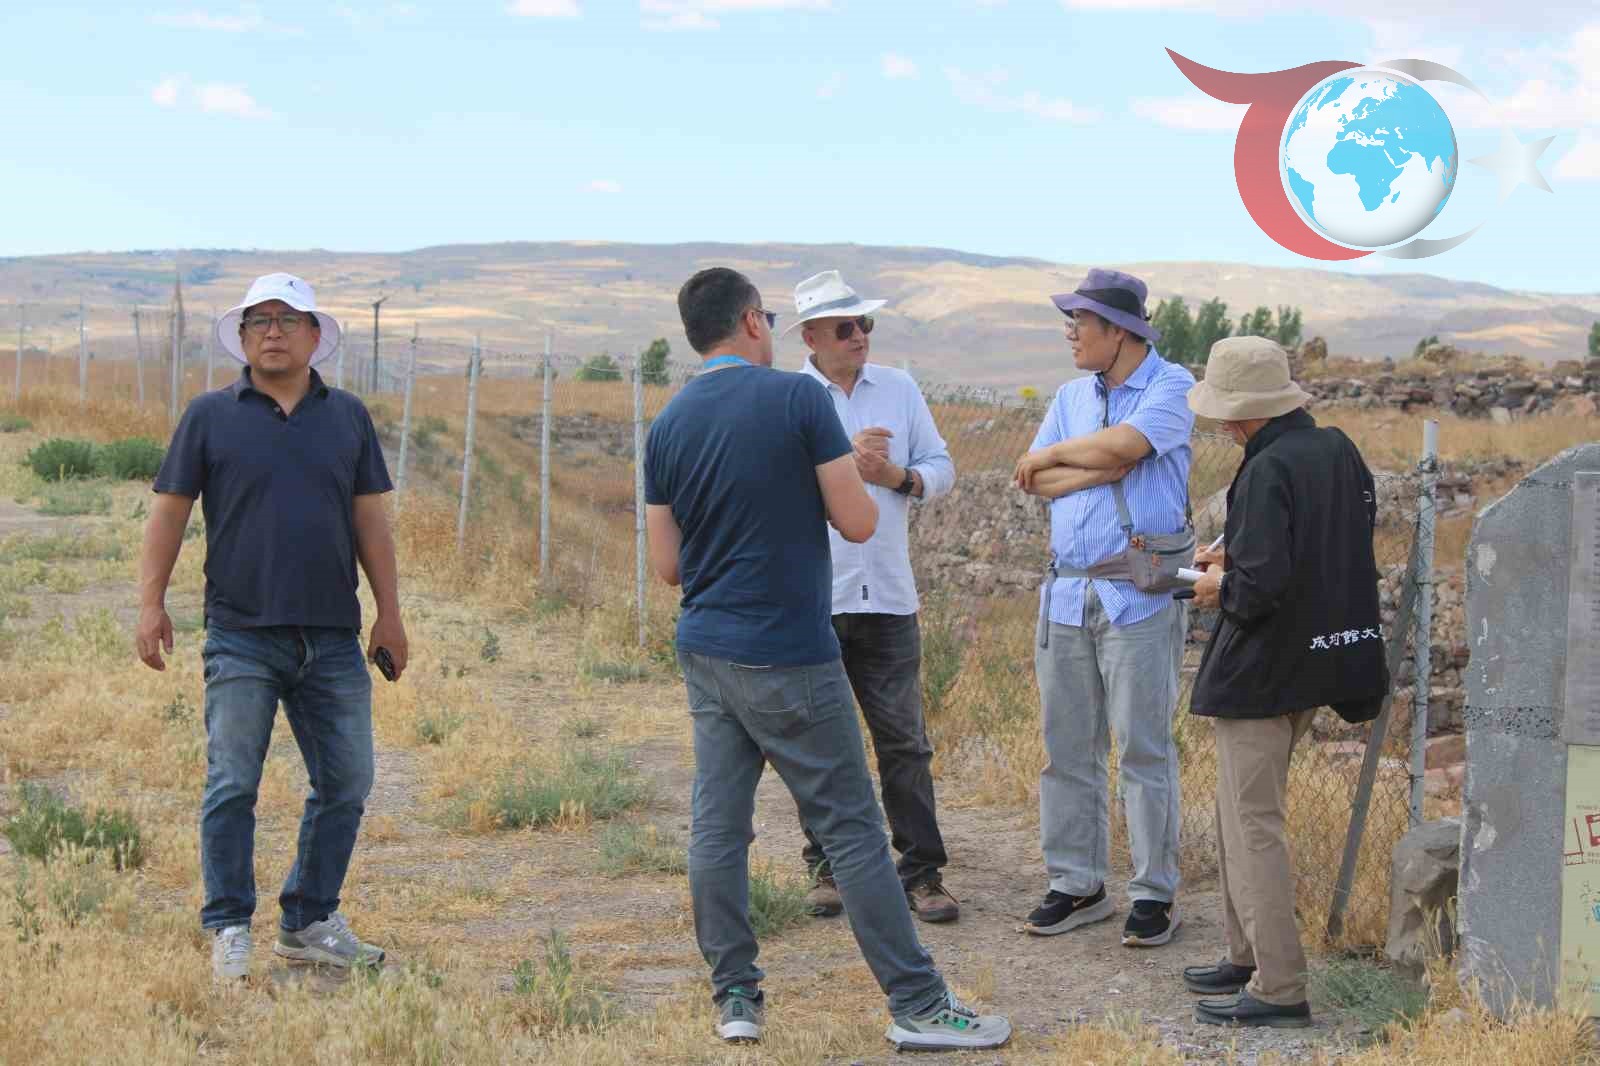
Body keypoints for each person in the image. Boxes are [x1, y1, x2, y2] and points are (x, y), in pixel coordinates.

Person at [644, 267, 1010, 1052]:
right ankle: (918, 1004)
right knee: (853, 830)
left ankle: (736, 996)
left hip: (707, 647)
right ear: (752, 321)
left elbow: (667, 566)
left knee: (718, 827)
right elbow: (857, 521)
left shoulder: (668, 422)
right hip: (789, 649)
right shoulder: (798, 401)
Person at [135, 273, 406, 983]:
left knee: (347, 782)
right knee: (232, 783)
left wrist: (390, 612)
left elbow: (370, 520)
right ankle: (229, 924)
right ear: (243, 336)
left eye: (288, 319)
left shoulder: (347, 417)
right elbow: (169, 513)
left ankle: (308, 920)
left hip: (332, 635)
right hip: (241, 634)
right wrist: (150, 603)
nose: (274, 331)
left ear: (315, 336)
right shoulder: (209, 415)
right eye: (259, 320)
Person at [1181, 336, 1387, 1028]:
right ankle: (1245, 954)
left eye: (1225, 413)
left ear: (1243, 412)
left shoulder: (1266, 467)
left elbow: (1261, 589)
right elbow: (1323, 547)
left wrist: (1216, 584)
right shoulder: (1336, 450)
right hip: (1318, 661)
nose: (1222, 425)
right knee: (1237, 815)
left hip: (1263, 672)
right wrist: (1235, 557)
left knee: (1251, 824)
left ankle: (1279, 986)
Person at [1012, 268, 1195, 947]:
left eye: (1080, 323)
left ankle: (1154, 893)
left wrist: (1065, 453)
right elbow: (1034, 479)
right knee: (1066, 749)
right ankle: (1077, 883)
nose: (1070, 334)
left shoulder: (1173, 386)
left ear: (1117, 331)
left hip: (1139, 592)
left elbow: (1124, 447)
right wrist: (1097, 465)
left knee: (1143, 748)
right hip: (1067, 591)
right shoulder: (1070, 395)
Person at [785, 270, 959, 924]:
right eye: (844, 327)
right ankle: (827, 867)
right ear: (811, 338)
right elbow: (776, 490)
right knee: (820, 745)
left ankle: (922, 872)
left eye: (864, 324)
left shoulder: (900, 388)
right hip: (817, 598)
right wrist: (840, 462)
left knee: (905, 744)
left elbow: (942, 468)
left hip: (887, 595)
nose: (859, 336)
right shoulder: (788, 399)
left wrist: (896, 475)